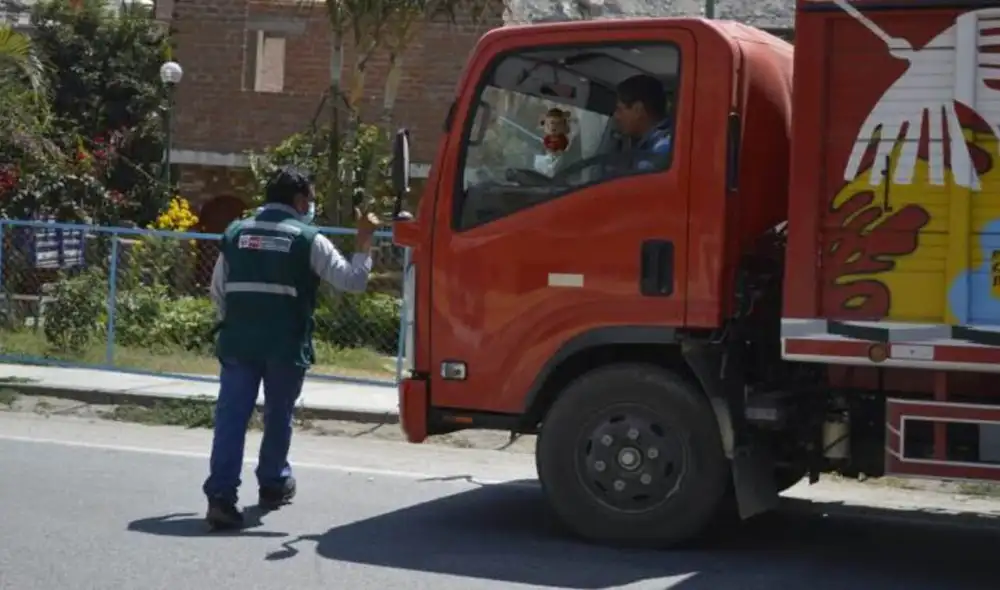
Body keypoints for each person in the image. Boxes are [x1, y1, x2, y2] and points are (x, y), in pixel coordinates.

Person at [202, 165, 378, 530]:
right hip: (285, 345)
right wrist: (364, 243)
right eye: (310, 200)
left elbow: (218, 290)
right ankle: (273, 483)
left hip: (239, 342)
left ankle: (220, 497)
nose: (311, 206)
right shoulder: (307, 238)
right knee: (278, 416)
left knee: (231, 419)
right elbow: (353, 281)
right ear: (300, 201)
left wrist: (240, 321)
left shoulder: (236, 233)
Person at [613, 74, 673, 171]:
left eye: (620, 109)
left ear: (638, 109)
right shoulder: (651, 144)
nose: (616, 116)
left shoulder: (663, 147)